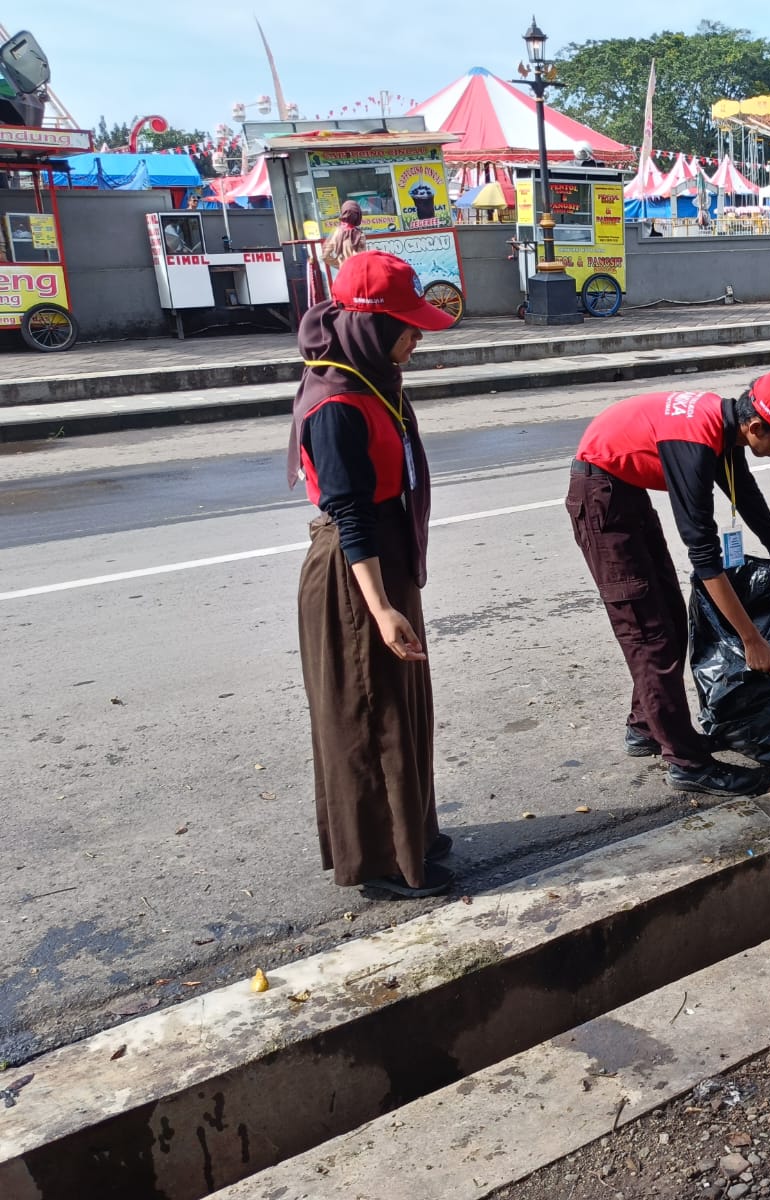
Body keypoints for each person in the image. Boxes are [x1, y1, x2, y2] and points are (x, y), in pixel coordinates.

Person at [287, 251, 456, 900]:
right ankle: (385, 863)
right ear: (368, 328)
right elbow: (350, 515)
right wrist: (382, 608)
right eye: (407, 327)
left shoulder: (371, 376)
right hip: (358, 578)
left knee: (404, 707)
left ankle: (415, 831)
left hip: (386, 560)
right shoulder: (336, 402)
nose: (416, 337)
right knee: (370, 713)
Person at [568, 372, 770, 796]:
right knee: (649, 635)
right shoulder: (696, 445)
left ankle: (647, 727)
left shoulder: (723, 426)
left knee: (667, 617)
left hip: (624, 492)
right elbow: (705, 560)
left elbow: (747, 497)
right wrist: (752, 639)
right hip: (603, 497)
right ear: (755, 426)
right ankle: (687, 763)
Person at [321, 200, 368, 276]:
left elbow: (325, 256)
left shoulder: (335, 232)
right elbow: (361, 258)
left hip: (344, 275)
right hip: (358, 274)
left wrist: (341, 265)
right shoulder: (359, 235)